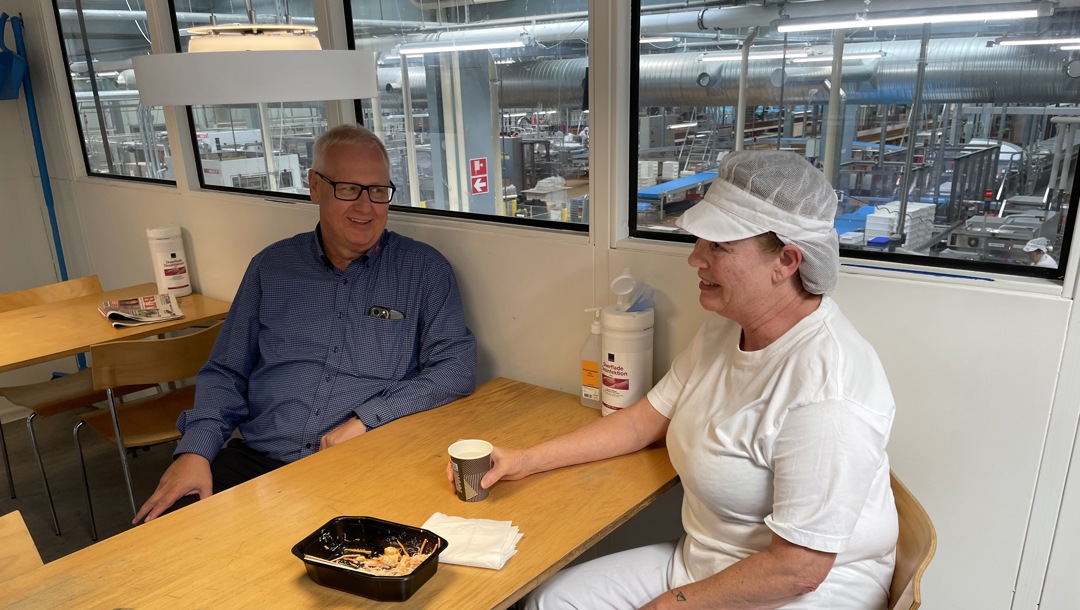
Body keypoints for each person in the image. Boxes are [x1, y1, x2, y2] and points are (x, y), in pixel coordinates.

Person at [468, 151, 898, 609]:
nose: (696, 258)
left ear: (787, 261)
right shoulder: (728, 324)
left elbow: (799, 568)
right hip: (708, 562)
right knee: (552, 601)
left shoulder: (827, 390)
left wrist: (671, 604)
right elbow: (643, 421)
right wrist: (527, 460)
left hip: (799, 590)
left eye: (719, 247)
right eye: (700, 241)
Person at [136, 124, 477, 523]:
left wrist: (369, 418)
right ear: (315, 187)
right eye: (349, 188)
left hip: (359, 467)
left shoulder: (424, 270)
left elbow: (456, 368)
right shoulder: (271, 267)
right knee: (160, 538)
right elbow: (225, 372)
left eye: (378, 191)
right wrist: (196, 451)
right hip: (257, 462)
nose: (365, 207)